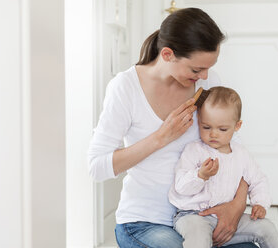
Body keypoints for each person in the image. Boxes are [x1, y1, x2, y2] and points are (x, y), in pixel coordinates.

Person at [88, 7, 258, 248]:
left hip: (199, 219)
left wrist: (236, 206)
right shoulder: (125, 88)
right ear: (167, 54)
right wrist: (160, 137)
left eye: (209, 67)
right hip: (145, 222)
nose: (205, 76)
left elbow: (236, 152)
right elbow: (97, 167)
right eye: (196, 69)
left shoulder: (207, 83)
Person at [169, 86, 278, 248]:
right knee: (199, 238)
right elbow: (181, 187)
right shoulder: (194, 150)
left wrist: (260, 203)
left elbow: (258, 180)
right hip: (193, 216)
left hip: (226, 217)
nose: (213, 134)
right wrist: (200, 175)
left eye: (222, 129)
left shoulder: (241, 154)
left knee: (266, 227)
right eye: (206, 127)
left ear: (237, 126)